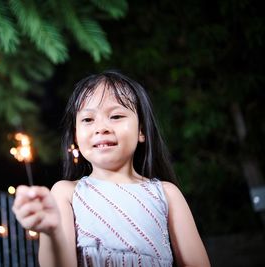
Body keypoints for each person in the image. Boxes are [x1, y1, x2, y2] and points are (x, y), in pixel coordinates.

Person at [12, 70, 210, 267]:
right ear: (75, 136)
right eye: (88, 120)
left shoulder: (166, 194)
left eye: (115, 116)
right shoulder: (67, 193)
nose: (101, 127)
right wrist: (52, 232)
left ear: (141, 130)